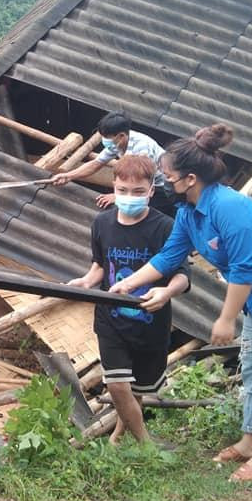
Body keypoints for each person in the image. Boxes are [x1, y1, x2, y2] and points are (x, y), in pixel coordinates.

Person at [110, 124, 252, 482]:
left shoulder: (230, 207)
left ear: (190, 179)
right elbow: (167, 257)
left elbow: (244, 267)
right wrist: (127, 284)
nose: (164, 182)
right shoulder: (189, 213)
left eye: (167, 176)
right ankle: (251, 439)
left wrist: (225, 319)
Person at [67, 155, 189, 444]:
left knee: (137, 390)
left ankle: (119, 434)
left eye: (137, 192)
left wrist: (167, 292)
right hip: (111, 320)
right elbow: (100, 266)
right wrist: (85, 281)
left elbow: (182, 276)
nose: (129, 197)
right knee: (118, 385)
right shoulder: (102, 223)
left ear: (151, 191)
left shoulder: (166, 228)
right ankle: (147, 446)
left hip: (151, 323)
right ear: (113, 186)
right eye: (122, 190)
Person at [51, 112, 173, 214]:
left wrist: (117, 196)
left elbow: (138, 179)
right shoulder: (117, 144)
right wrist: (68, 176)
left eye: (107, 137)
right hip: (142, 187)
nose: (105, 141)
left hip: (162, 188)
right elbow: (96, 163)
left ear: (121, 136)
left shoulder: (141, 147)